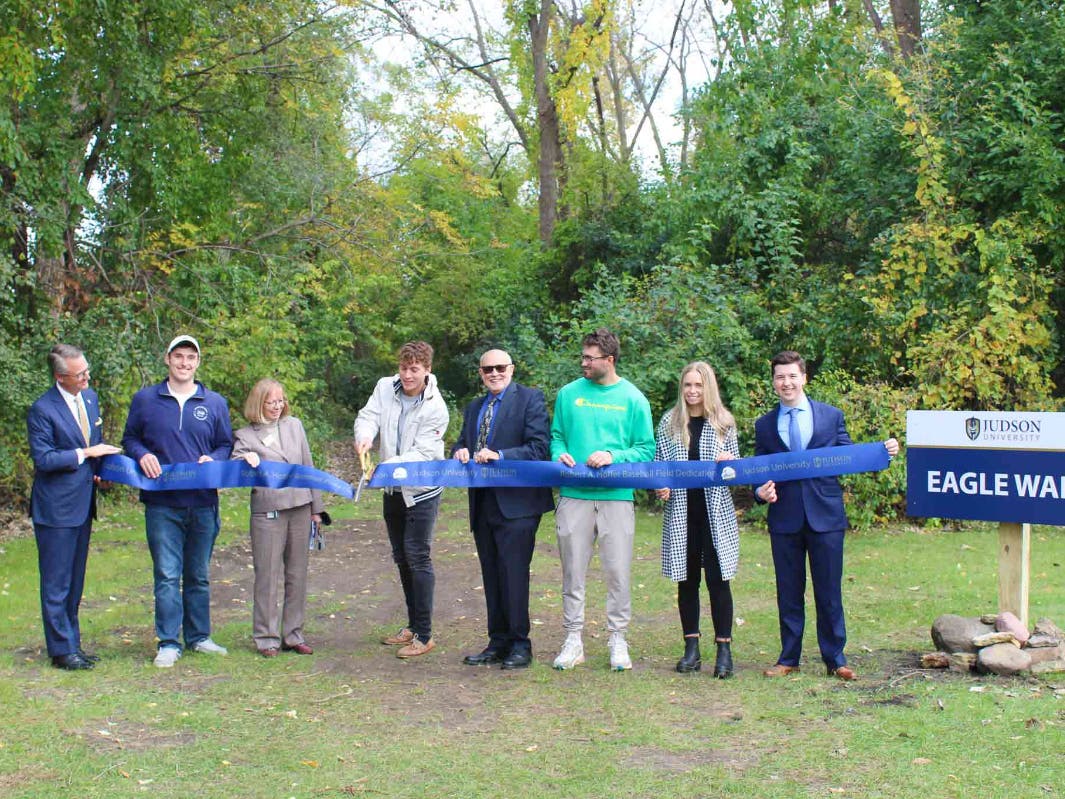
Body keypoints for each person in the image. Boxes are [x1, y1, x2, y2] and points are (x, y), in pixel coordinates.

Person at [754, 350, 899, 681]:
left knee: (829, 591)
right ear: (773, 382)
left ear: (804, 378)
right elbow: (759, 470)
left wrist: (882, 452)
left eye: (792, 376)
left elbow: (849, 457)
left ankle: (836, 658)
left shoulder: (831, 417)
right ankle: (788, 657)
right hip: (784, 519)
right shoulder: (764, 425)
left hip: (826, 517)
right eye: (780, 377)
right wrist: (761, 492)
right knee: (788, 591)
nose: (786, 382)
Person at [121, 335, 233, 668]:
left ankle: (199, 637)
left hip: (202, 503)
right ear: (167, 359)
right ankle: (169, 642)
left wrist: (214, 459)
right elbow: (130, 438)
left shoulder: (214, 402)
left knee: (198, 574)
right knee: (168, 575)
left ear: (198, 363)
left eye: (191, 358)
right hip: (161, 504)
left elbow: (225, 444)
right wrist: (142, 455)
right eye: (179, 357)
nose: (185, 363)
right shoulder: (145, 400)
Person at [549, 328, 655, 671]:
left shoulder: (634, 399)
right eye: (582, 356)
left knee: (617, 571)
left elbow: (646, 449)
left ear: (608, 361)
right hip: (574, 496)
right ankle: (573, 639)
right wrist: (560, 454)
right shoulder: (568, 394)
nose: (583, 363)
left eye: (589, 358)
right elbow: (557, 438)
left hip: (617, 498)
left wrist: (612, 455)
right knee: (572, 571)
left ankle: (618, 639)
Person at [452, 349, 554, 670]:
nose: (494, 373)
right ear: (480, 374)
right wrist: (461, 451)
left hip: (518, 504)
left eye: (499, 367)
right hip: (482, 503)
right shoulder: (474, 407)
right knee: (492, 575)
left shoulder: (530, 399)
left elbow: (539, 448)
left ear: (511, 368)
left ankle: (520, 644)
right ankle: (497, 642)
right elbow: (459, 443)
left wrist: (501, 455)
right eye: (487, 369)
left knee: (514, 574)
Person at [27, 345, 122, 670]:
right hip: (55, 508)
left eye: (86, 371)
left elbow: (93, 450)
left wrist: (102, 474)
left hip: (83, 504)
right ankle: (60, 650)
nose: (86, 377)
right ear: (60, 377)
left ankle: (73, 642)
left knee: (76, 579)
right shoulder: (42, 409)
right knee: (57, 581)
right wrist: (86, 454)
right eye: (79, 374)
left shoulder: (90, 397)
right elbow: (44, 459)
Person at [354, 341, 449, 658]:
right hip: (391, 489)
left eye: (414, 369)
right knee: (401, 555)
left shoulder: (436, 407)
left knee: (417, 554)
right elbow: (368, 415)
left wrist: (386, 467)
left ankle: (424, 634)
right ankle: (412, 624)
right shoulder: (385, 388)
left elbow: (424, 453)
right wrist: (365, 436)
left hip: (421, 490)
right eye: (404, 368)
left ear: (427, 370)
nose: (407, 375)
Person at [654, 361, 740, 678]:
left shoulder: (724, 424)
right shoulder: (669, 424)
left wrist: (729, 464)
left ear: (709, 388)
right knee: (687, 581)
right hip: (682, 514)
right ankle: (691, 648)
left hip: (715, 514)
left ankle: (724, 649)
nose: (692, 391)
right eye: (688, 385)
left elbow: (736, 472)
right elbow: (660, 467)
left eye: (698, 385)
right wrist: (660, 486)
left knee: (719, 582)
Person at [232, 379, 324, 657]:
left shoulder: (294, 425)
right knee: (267, 575)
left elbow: (308, 465)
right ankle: (266, 638)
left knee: (297, 574)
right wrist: (245, 459)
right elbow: (233, 465)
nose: (277, 406)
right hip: (268, 510)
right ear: (258, 403)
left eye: (281, 401)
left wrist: (316, 509)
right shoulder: (246, 435)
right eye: (271, 402)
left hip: (300, 506)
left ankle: (293, 634)